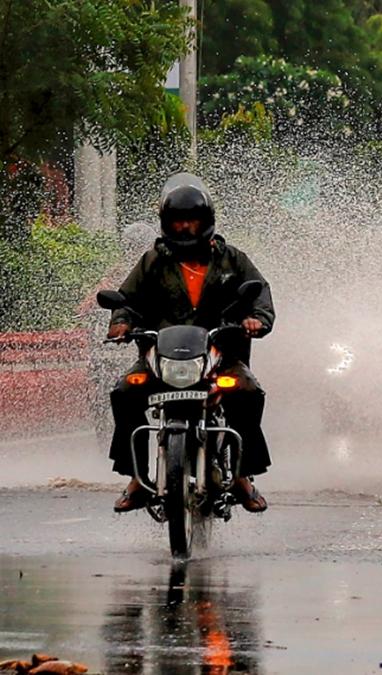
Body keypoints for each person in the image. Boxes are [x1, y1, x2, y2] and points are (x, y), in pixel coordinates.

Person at [107, 173, 275, 514]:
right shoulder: (153, 261)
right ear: (166, 223)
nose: (185, 227)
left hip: (220, 356)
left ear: (207, 221)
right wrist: (122, 322)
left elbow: (260, 294)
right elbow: (127, 298)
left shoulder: (233, 260)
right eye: (178, 220)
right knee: (125, 391)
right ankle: (137, 479)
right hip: (161, 357)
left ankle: (242, 476)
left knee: (246, 392)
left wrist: (256, 320)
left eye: (192, 220)